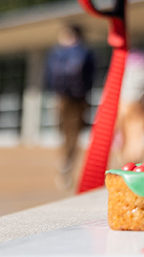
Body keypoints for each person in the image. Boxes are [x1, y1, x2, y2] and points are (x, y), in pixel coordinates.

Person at [45, 23, 95, 189]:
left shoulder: (58, 53)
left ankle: (65, 164)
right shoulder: (85, 52)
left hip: (68, 98)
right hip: (73, 98)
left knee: (68, 133)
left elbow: (49, 76)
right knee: (70, 134)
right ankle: (66, 164)